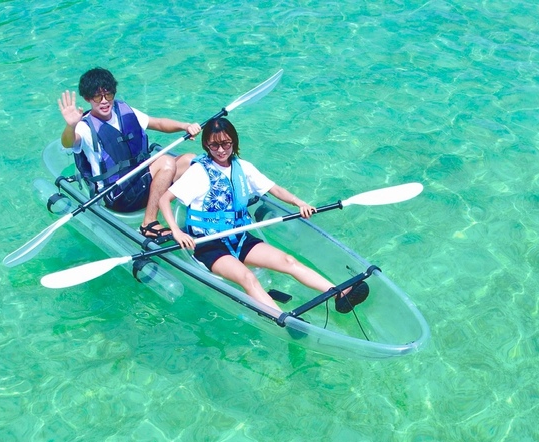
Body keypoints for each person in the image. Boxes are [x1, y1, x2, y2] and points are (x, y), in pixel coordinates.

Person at [158, 117, 369, 313]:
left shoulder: (243, 168)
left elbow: (274, 189)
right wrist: (176, 231)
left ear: (233, 142)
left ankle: (340, 293)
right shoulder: (198, 172)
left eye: (226, 143)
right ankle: (282, 319)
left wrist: (299, 203)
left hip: (240, 237)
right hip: (209, 245)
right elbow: (164, 199)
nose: (221, 150)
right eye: (214, 145)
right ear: (206, 145)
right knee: (247, 277)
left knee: (288, 261)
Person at [57, 68, 200, 241]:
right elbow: (68, 142)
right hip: (118, 195)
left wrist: (185, 126)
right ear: (88, 99)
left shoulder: (124, 110)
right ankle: (149, 224)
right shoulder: (84, 127)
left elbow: (159, 123)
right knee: (166, 162)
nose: (104, 101)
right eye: (97, 97)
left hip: (140, 181)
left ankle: (199, 213)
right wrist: (71, 125)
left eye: (108, 95)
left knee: (191, 161)